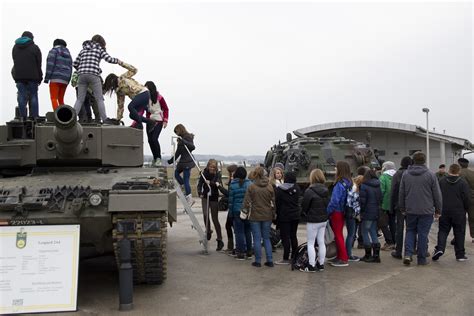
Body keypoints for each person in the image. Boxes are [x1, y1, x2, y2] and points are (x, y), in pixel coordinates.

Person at [399, 151, 442, 266]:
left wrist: (402, 207)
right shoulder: (431, 175)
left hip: (410, 209)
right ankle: (421, 259)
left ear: (413, 160)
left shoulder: (406, 174)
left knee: (410, 231)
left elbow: (402, 193)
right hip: (426, 210)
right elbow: (437, 195)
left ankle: (408, 254)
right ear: (424, 160)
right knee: (423, 234)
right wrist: (438, 210)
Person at [73, 35, 120, 123]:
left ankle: (72, 118)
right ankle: (105, 119)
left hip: (81, 75)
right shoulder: (99, 49)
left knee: (80, 99)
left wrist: (83, 69)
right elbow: (108, 59)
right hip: (93, 75)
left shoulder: (83, 50)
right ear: (101, 43)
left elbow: (75, 63)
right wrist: (117, 61)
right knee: (99, 99)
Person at [432, 164, 470, 262]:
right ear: (459, 171)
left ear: (449, 170)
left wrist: (437, 209)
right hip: (459, 211)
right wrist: (466, 209)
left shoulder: (442, 181)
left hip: (444, 210)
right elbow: (466, 198)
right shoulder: (463, 182)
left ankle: (440, 248)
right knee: (459, 232)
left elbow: (437, 196)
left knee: (443, 230)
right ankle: (460, 254)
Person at [103, 62, 155, 129]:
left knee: (130, 106)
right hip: (140, 97)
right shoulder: (119, 92)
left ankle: (139, 125)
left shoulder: (123, 77)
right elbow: (120, 106)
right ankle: (150, 122)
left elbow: (134, 70)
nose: (112, 87)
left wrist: (120, 63)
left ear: (113, 80)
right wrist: (118, 119)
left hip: (143, 93)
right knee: (132, 115)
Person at [242, 166, 276, 268]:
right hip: (267, 215)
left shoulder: (251, 187)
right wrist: (274, 213)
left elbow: (246, 202)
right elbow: (273, 203)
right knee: (266, 238)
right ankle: (269, 260)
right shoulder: (270, 186)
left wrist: (244, 212)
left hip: (255, 215)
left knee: (256, 238)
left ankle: (258, 261)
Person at [301, 169, 329, 272]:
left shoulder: (309, 191)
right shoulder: (326, 190)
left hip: (313, 220)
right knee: (321, 242)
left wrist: (305, 214)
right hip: (323, 219)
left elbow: (304, 206)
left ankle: (311, 265)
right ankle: (321, 264)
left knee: (311, 243)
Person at [11, 31, 42, 120]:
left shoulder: (15, 48)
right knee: (33, 95)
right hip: (33, 76)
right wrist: (40, 77)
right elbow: (38, 64)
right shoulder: (35, 48)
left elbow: (14, 61)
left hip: (19, 76)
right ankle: (34, 116)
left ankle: (22, 116)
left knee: (21, 95)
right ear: (31, 38)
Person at [326, 161, 352, 267]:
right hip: (343, 211)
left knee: (338, 235)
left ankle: (343, 258)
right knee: (339, 234)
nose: (335, 170)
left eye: (336, 168)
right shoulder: (348, 182)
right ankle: (340, 256)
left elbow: (334, 200)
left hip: (336, 212)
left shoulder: (339, 184)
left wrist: (327, 211)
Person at [275, 171, 301, 265]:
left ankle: (285, 258)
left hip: (284, 216)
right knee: (293, 236)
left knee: (285, 237)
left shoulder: (279, 190)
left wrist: (276, 214)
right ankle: (294, 256)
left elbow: (277, 203)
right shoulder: (297, 188)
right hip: (295, 215)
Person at [197, 159, 224, 251]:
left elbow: (218, 184)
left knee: (214, 218)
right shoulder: (203, 173)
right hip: (205, 196)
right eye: (210, 167)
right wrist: (199, 192)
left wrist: (210, 183)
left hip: (214, 197)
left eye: (214, 167)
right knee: (205, 214)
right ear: (208, 166)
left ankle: (220, 239)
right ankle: (208, 230)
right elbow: (200, 183)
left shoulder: (218, 174)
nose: (212, 168)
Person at [390, 156, 413, 259]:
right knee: (411, 229)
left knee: (399, 229)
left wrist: (391, 207)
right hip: (412, 206)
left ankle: (398, 251)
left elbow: (393, 191)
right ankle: (411, 251)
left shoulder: (397, 174)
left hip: (399, 206)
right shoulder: (412, 174)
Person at [228, 166, 253, 260]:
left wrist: (230, 213)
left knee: (239, 232)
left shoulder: (233, 185)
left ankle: (240, 253)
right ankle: (249, 252)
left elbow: (231, 201)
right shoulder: (250, 184)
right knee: (248, 231)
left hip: (236, 211)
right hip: (247, 211)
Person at [168, 124, 195, 206]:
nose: (176, 134)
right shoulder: (180, 139)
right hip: (182, 162)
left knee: (186, 179)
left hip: (188, 161)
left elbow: (192, 147)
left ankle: (190, 198)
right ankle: (184, 187)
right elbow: (178, 153)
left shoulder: (188, 137)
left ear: (180, 129)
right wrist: (170, 161)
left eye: (176, 132)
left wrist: (185, 142)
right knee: (176, 174)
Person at [359, 169, 383, 263]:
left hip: (367, 212)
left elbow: (362, 202)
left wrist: (361, 212)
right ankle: (376, 256)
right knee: (373, 231)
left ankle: (368, 255)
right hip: (376, 211)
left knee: (364, 232)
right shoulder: (378, 185)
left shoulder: (364, 186)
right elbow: (381, 198)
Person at [144, 81, 169, 167]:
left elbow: (166, 109)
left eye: (147, 88)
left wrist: (165, 120)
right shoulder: (145, 98)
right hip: (149, 121)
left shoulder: (160, 98)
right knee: (150, 140)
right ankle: (155, 158)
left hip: (158, 120)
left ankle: (158, 158)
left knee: (154, 139)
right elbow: (143, 110)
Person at [44, 39, 72, 110]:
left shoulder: (53, 51)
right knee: (61, 99)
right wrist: (68, 80)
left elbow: (50, 64)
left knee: (54, 98)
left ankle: (58, 116)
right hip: (65, 79)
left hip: (55, 78)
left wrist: (47, 78)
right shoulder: (68, 53)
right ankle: (64, 116)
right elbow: (70, 67)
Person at [219, 164, 238, 254]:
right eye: (230, 173)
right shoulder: (232, 181)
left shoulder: (235, 182)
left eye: (232, 173)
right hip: (232, 207)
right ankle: (231, 247)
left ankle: (234, 247)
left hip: (234, 208)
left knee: (233, 227)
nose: (231, 175)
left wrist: (219, 187)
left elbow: (229, 194)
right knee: (229, 226)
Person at [345, 171, 363, 262]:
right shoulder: (355, 189)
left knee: (351, 234)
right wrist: (358, 214)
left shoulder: (351, 186)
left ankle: (348, 253)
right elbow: (354, 203)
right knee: (351, 234)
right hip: (352, 213)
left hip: (349, 212)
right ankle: (348, 254)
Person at [379, 161, 396, 251]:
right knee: (393, 224)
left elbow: (381, 191)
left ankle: (389, 242)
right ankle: (394, 241)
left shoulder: (383, 177)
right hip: (395, 205)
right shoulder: (397, 176)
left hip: (384, 205)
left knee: (383, 224)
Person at [458, 158, 474, 243]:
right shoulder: (472, 173)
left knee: (460, 220)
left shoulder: (458, 174)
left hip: (460, 200)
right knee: (472, 217)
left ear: (459, 164)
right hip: (471, 198)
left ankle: (458, 237)